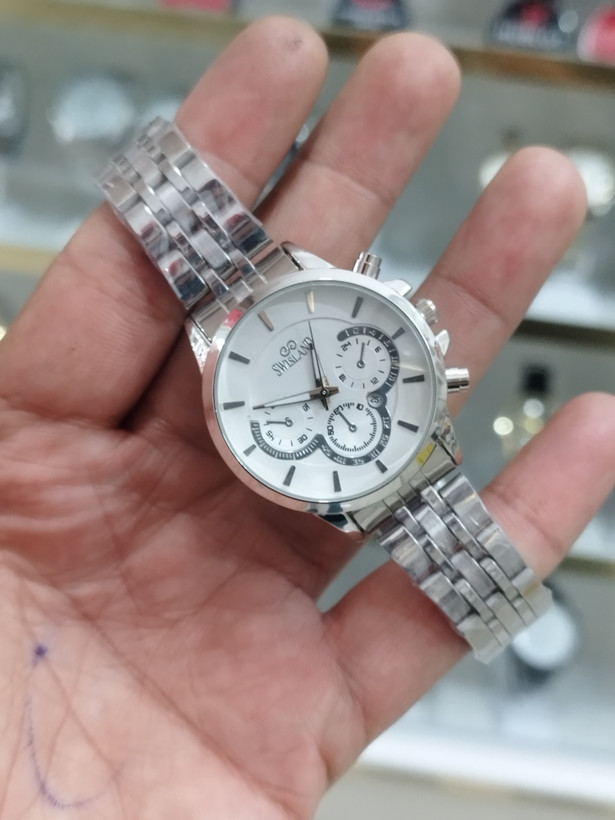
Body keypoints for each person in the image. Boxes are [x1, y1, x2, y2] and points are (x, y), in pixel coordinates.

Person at [0, 15, 613, 819]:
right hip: (309, 424)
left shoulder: (366, 365)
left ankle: (503, 607)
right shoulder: (238, 374)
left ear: (409, 329)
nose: (328, 395)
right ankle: (503, 609)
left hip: (377, 447)